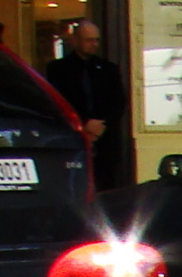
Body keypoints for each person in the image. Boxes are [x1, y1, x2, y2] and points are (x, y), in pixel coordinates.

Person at [46, 18, 131, 190]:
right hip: (73, 136)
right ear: (75, 41)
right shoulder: (58, 69)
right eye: (89, 40)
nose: (94, 44)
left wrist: (101, 124)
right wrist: (84, 124)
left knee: (108, 187)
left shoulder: (108, 69)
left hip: (105, 140)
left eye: (96, 40)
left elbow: (118, 101)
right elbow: (57, 102)